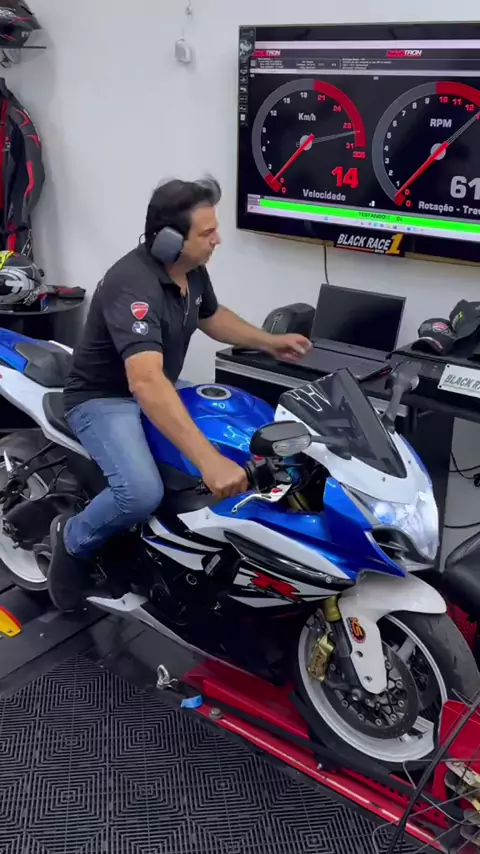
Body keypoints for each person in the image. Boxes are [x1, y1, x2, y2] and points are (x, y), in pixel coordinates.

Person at [48, 177, 312, 612]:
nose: (218, 240)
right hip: (105, 398)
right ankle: (73, 540)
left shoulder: (190, 271)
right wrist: (210, 462)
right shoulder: (132, 285)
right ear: (169, 239)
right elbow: (145, 382)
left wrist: (269, 342)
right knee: (140, 492)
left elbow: (210, 315)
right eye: (207, 233)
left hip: (158, 387)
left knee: (237, 440)